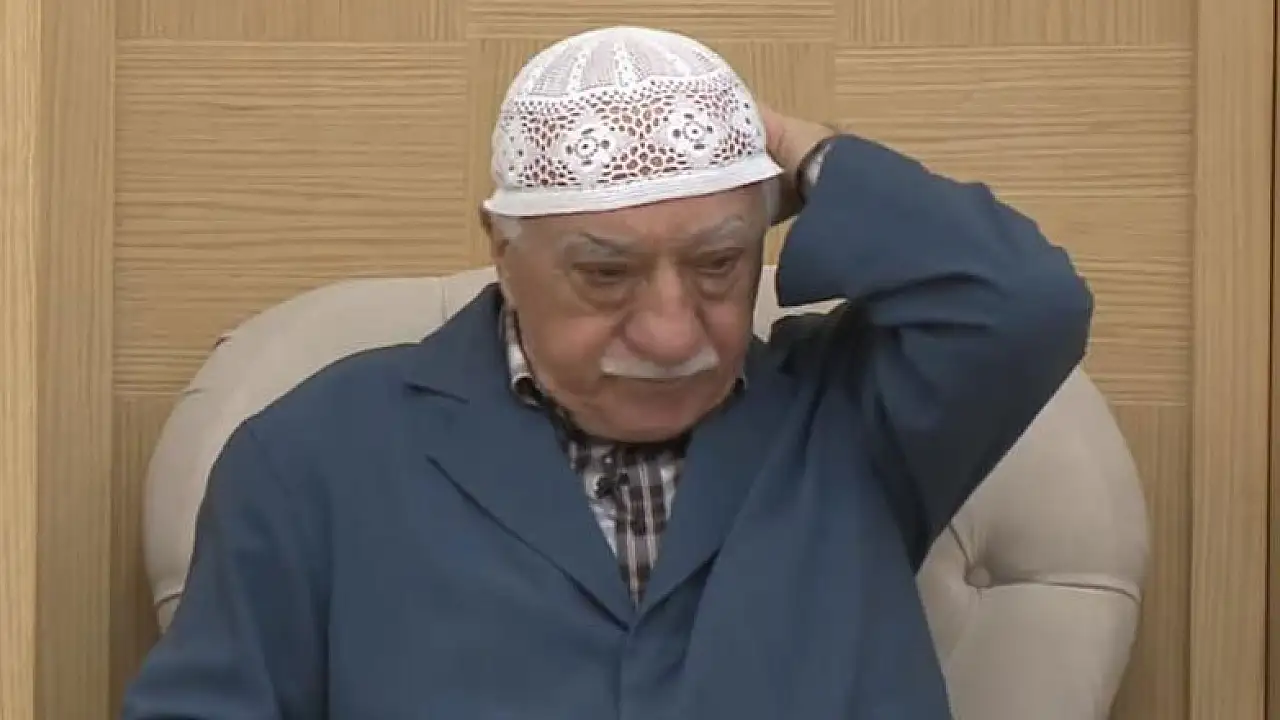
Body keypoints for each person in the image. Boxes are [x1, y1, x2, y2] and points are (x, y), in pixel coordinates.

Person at [121, 25, 1092, 719]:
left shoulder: (855, 420)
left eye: (718, 264)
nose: (671, 334)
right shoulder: (313, 457)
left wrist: (803, 153)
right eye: (605, 274)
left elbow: (1025, 303)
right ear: (503, 251)